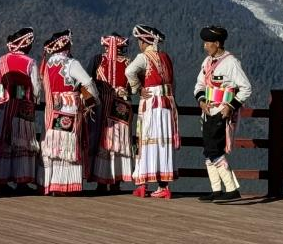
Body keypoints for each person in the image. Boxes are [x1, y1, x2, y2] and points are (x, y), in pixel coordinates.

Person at [192, 25, 252, 202]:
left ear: (217, 43)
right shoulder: (207, 62)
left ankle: (232, 189)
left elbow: (246, 88)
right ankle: (216, 190)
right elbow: (199, 85)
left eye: (208, 43)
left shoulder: (231, 63)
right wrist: (202, 101)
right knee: (208, 150)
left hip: (222, 112)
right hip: (208, 111)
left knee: (214, 149)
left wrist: (230, 106)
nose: (205, 46)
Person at [39, 30, 99, 196]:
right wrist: (94, 100)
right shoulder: (71, 64)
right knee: (67, 145)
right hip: (69, 107)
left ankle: (52, 183)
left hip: (53, 109)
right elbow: (88, 82)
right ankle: (66, 185)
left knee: (55, 145)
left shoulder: (48, 64)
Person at [0, 27, 42, 195]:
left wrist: (10, 92)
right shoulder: (30, 63)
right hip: (22, 109)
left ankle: (1, 182)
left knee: (4, 142)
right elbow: (36, 88)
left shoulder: (1, 60)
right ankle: (22, 181)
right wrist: (31, 98)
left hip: (4, 108)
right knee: (23, 142)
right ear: (26, 44)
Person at [126, 23, 179, 199]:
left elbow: (129, 71)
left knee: (146, 141)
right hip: (167, 104)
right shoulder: (166, 57)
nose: (138, 44)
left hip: (151, 103)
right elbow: (173, 83)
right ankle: (164, 185)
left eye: (139, 41)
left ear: (144, 41)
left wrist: (137, 88)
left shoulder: (143, 57)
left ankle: (142, 185)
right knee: (163, 142)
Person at [88, 33, 134, 193]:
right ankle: (116, 181)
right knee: (119, 142)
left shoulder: (98, 60)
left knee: (103, 141)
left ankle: (101, 182)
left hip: (102, 106)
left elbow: (87, 81)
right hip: (122, 105)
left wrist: (89, 99)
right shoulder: (129, 63)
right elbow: (134, 85)